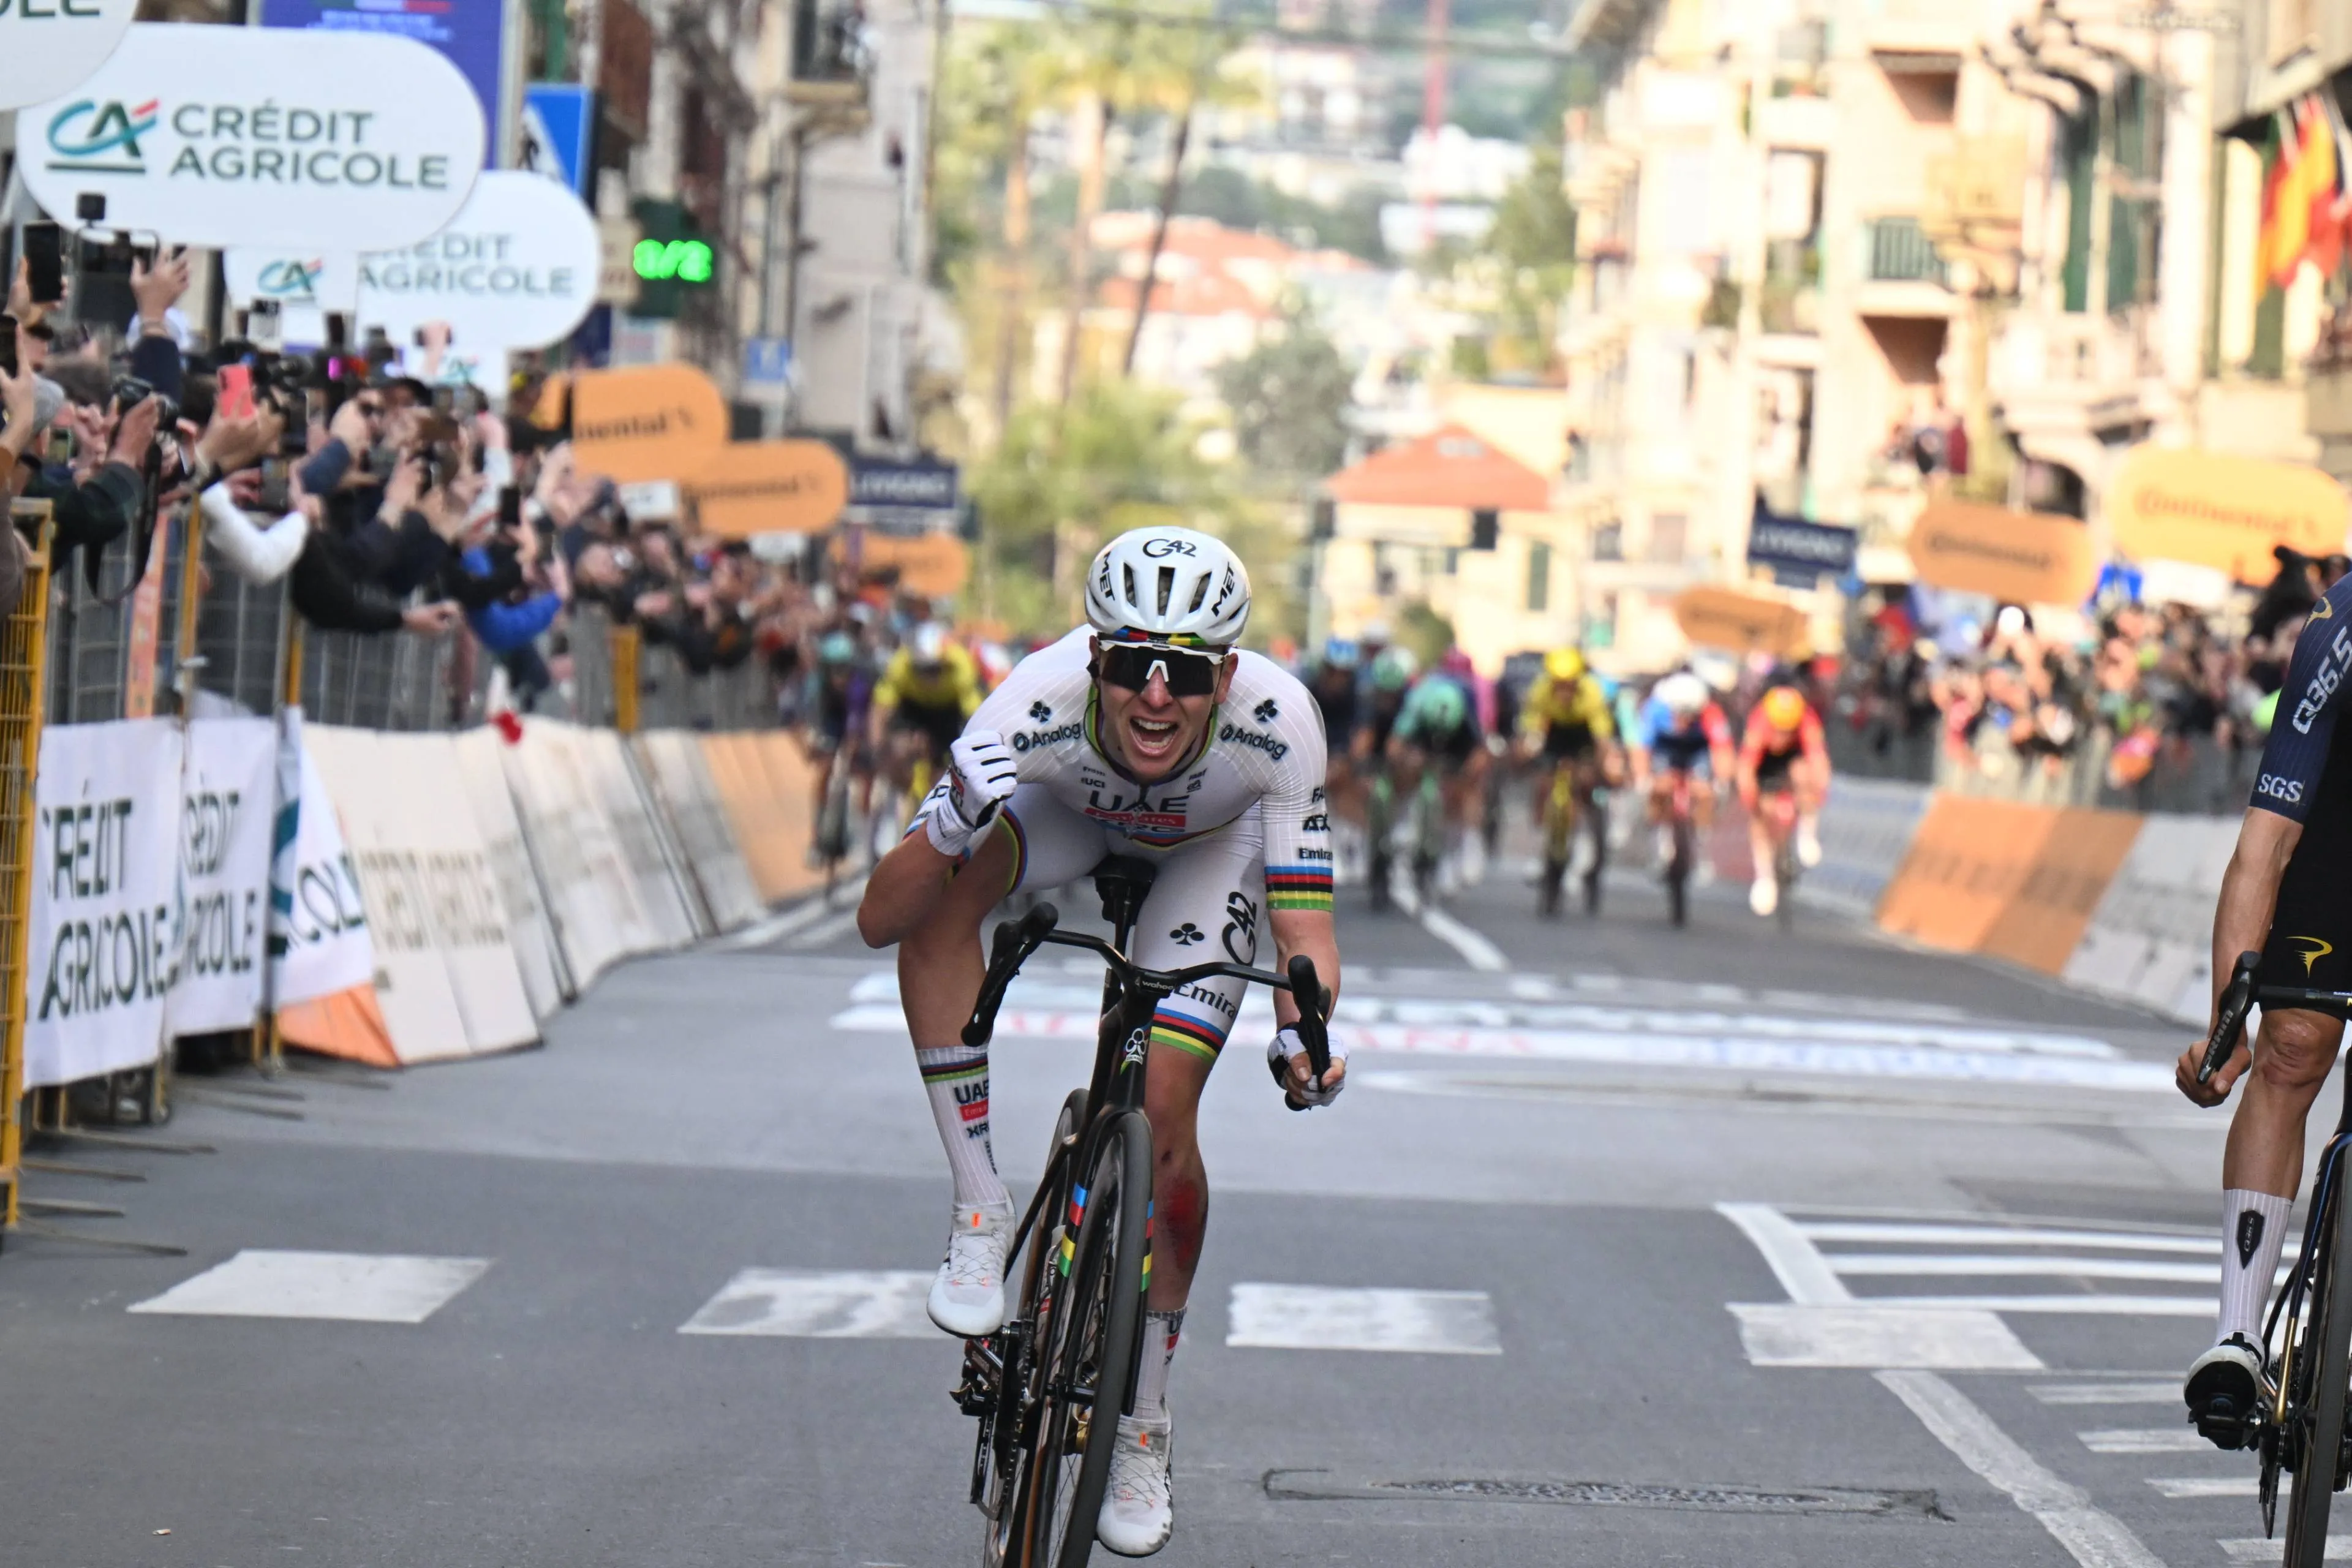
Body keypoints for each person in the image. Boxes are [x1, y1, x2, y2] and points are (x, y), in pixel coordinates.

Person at [855, 526, 1340, 1557]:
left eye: (1187, 675)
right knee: (949, 905)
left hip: (1212, 853)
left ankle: (1145, 1421)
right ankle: (982, 1204)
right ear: (1093, 663)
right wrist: (946, 829)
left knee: (1163, 1114)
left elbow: (1305, 935)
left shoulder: (1281, 723)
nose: (1156, 696)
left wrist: (1309, 1036)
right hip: (1068, 814)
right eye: (1131, 666)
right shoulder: (1031, 702)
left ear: (1230, 675)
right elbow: (878, 919)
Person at [2179, 562, 2352, 1445]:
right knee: (2292, 1047)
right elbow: (2266, 844)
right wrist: (2225, 1024)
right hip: (2341, 853)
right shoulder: (2342, 625)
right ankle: (2239, 1333)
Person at [867, 619, 984, 814]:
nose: (929, 678)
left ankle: (934, 801)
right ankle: (902, 791)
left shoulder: (962, 667)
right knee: (899, 749)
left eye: (935, 669)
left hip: (947, 712)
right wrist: (878, 750)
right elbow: (880, 710)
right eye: (922, 670)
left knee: (941, 771)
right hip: (912, 709)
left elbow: (977, 717)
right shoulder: (900, 665)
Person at [1517, 646, 1619, 864]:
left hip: (1582, 735)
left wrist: (1603, 762)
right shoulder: (1540, 691)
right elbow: (1532, 727)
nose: (1564, 691)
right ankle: (1539, 844)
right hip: (1554, 733)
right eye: (1558, 684)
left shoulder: (1592, 693)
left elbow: (1601, 736)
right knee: (1543, 785)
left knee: (1586, 780)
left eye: (1569, 685)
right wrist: (1528, 748)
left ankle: (1584, 837)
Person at [1386, 668, 1487, 888]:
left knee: (1465, 786)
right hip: (1421, 739)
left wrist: (1464, 774)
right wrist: (1404, 760)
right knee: (1406, 768)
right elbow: (1395, 744)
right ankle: (1404, 820)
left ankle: (1462, 846)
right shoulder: (1417, 704)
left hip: (1456, 745)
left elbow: (1479, 754)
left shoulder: (1465, 709)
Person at [1735, 682, 1828, 917]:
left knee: (1804, 774)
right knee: (1762, 815)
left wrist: (1817, 794)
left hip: (1794, 758)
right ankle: (1764, 877)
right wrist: (1752, 801)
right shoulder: (1759, 722)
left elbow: (1819, 760)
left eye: (1789, 730)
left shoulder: (1807, 720)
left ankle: (1807, 834)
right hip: (1765, 763)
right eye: (1779, 729)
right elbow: (1746, 768)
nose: (1783, 735)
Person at [1630, 671, 1735, 865]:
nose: (1684, 720)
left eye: (1690, 714)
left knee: (1704, 792)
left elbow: (1723, 749)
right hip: (1665, 748)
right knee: (1660, 787)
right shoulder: (1655, 709)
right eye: (1679, 713)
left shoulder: (1711, 713)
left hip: (1697, 749)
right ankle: (1658, 831)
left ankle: (1701, 840)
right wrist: (1643, 779)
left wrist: (1722, 781)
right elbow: (1642, 749)